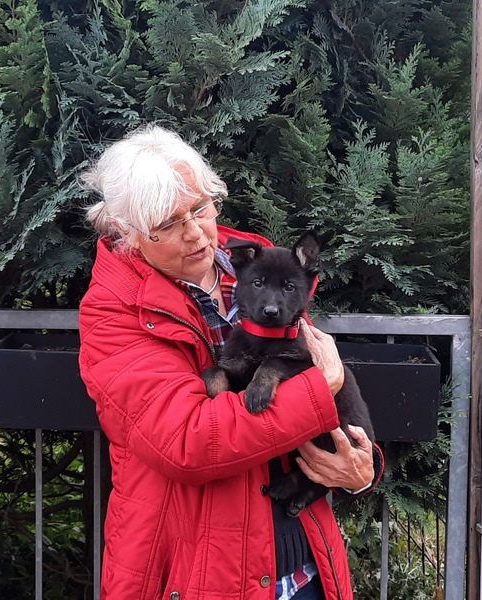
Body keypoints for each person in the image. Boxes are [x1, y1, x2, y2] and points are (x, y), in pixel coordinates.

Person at [78, 124, 384, 600]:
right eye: (167, 224)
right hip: (197, 575)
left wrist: (360, 469)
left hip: (304, 565)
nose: (194, 233)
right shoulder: (113, 313)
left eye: (200, 208)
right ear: (127, 233)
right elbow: (188, 442)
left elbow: (315, 383)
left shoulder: (260, 267)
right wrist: (321, 385)